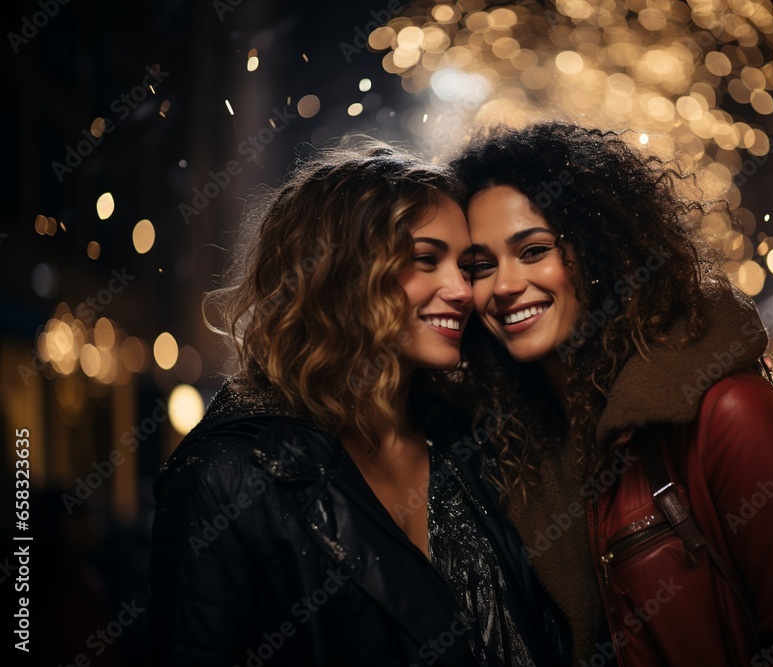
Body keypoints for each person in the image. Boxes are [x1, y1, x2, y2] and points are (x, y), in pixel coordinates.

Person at [451, 122, 773, 666]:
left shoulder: (729, 414)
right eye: (482, 265)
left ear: (598, 251)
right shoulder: (518, 446)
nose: (504, 285)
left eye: (533, 251)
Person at [148, 144, 570, 666]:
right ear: (341, 271)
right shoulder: (225, 478)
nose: (463, 290)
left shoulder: (478, 439)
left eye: (466, 266)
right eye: (424, 260)